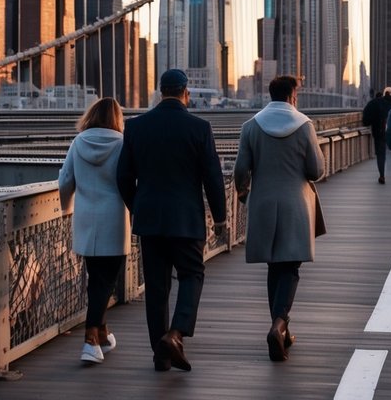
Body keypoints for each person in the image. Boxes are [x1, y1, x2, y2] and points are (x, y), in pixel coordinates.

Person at [117, 69, 227, 372]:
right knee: (192, 274)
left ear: (160, 92)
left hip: (150, 219)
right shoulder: (199, 128)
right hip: (186, 219)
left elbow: (124, 176)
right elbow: (213, 179)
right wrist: (220, 219)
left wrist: (137, 206)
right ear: (185, 93)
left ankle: (161, 355)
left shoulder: (136, 127)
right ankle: (176, 334)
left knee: (156, 287)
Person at [234, 75, 325, 362]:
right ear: (292, 96)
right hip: (295, 204)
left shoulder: (251, 126)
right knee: (291, 267)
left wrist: (242, 192)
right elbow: (316, 170)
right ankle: (279, 324)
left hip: (262, 202)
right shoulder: (305, 126)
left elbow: (241, 170)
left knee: (275, 266)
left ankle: (281, 330)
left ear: (270, 94)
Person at [58, 97, 130, 364]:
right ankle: (90, 340)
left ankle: (102, 333)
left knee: (96, 279)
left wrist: (67, 210)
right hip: (114, 215)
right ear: (117, 119)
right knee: (107, 280)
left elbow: (66, 180)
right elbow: (130, 179)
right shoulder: (123, 144)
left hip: (86, 217)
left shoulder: (78, 143)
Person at [362, 88, 391, 184]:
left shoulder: (373, 103)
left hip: (378, 132)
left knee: (381, 154)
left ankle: (382, 175)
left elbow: (366, 120)